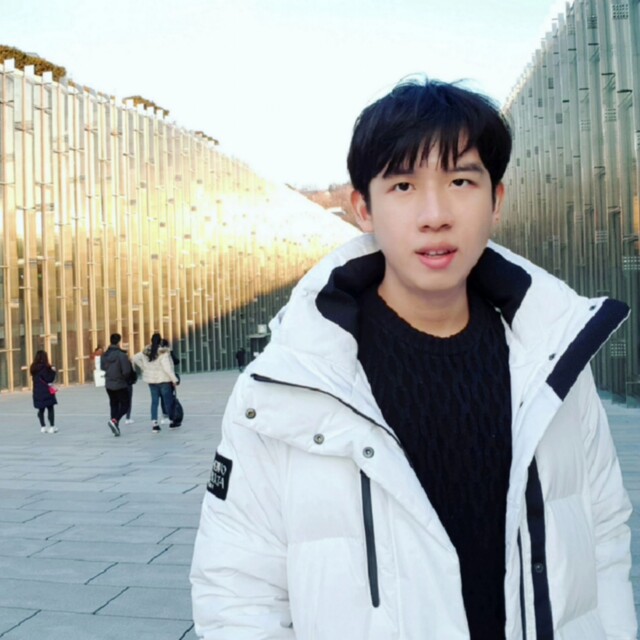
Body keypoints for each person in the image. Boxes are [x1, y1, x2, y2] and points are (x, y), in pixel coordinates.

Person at [189, 78, 636, 639]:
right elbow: (237, 594)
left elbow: (603, 537)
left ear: (496, 200)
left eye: (461, 181)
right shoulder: (289, 384)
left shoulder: (553, 361)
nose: (435, 214)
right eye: (402, 185)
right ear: (363, 208)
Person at [133, 333, 179, 433]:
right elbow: (167, 368)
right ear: (160, 341)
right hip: (163, 380)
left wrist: (144, 367)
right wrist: (174, 379)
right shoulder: (163, 353)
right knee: (168, 401)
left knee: (154, 402)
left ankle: (154, 424)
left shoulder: (145, 351)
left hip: (151, 381)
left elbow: (135, 358)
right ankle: (172, 421)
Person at [101, 333, 133, 437]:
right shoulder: (122, 355)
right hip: (120, 383)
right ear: (119, 341)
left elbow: (102, 367)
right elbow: (126, 371)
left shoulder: (105, 355)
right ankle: (115, 421)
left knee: (113, 404)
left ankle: (115, 426)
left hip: (109, 383)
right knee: (125, 405)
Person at [30, 350, 58, 434]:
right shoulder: (45, 367)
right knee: (50, 408)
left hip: (37, 392)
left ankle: (43, 427)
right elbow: (49, 379)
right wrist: (53, 371)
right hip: (46, 392)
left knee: (41, 409)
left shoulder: (33, 368)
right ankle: (52, 427)